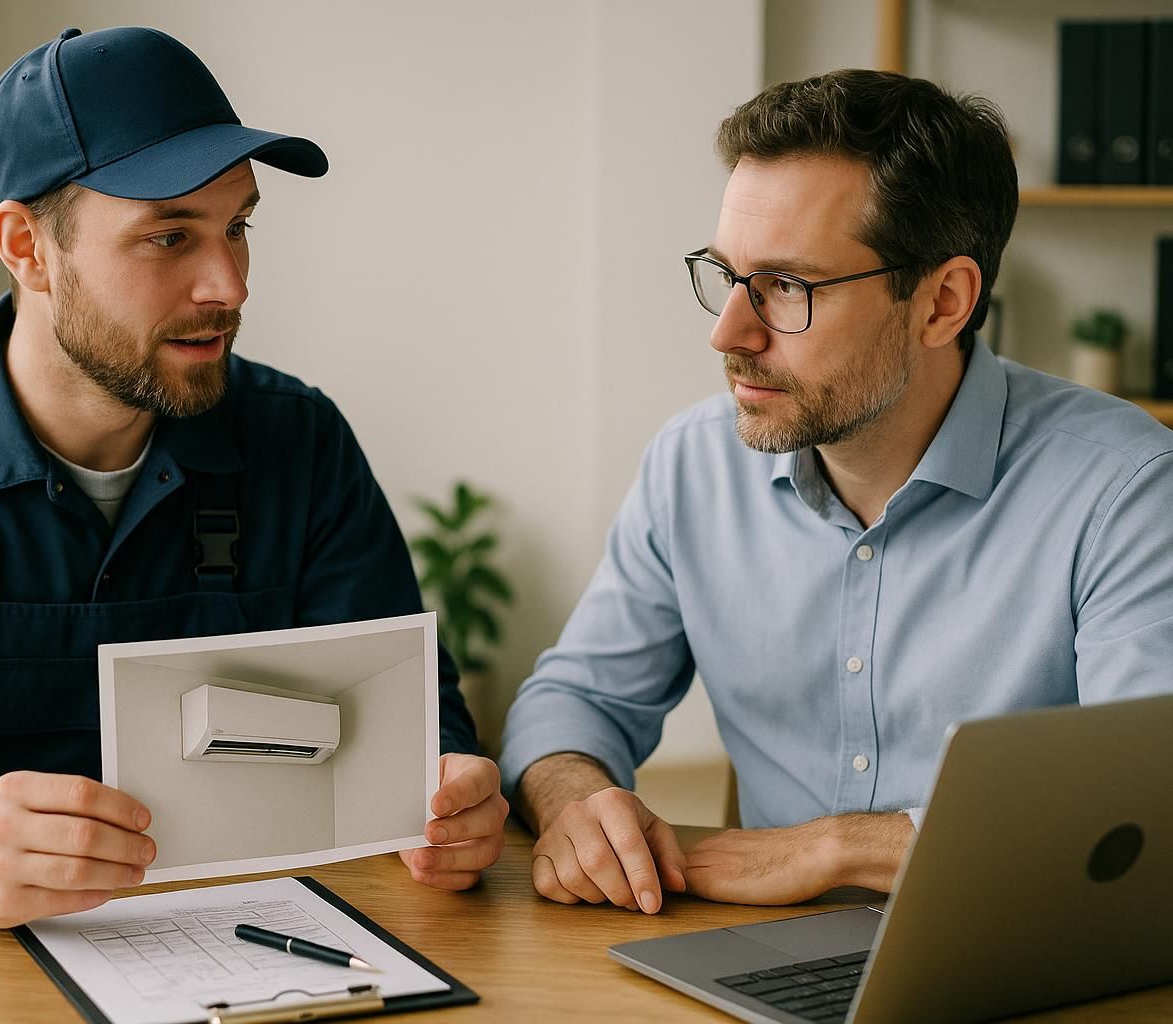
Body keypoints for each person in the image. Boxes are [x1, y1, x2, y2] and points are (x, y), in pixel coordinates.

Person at [0, 26, 507, 929]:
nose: (229, 284)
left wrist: (451, 801)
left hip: (258, 955)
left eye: (238, 226)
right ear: (26, 246)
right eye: (170, 236)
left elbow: (419, 737)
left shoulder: (302, 443)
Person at [499, 69, 1173, 916]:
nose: (727, 333)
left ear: (943, 302)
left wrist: (838, 843)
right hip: (754, 959)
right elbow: (575, 701)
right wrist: (574, 799)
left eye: (787, 288)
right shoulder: (692, 466)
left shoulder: (1126, 490)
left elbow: (1146, 805)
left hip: (1023, 953)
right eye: (725, 275)